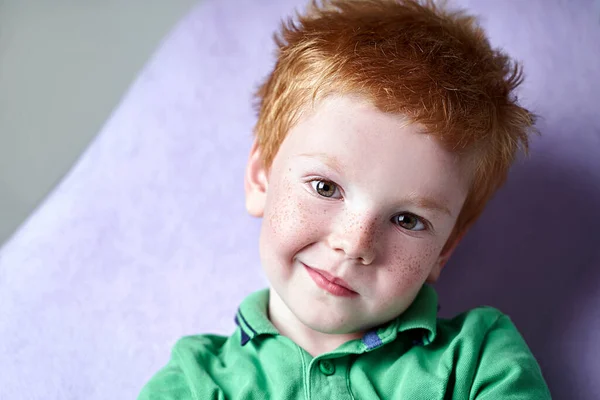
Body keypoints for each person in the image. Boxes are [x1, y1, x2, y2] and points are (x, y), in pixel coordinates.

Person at [138, 0, 551, 398]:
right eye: (325, 187)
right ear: (261, 177)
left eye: (407, 220)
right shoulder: (193, 382)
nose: (355, 244)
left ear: (444, 249)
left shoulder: (478, 360)